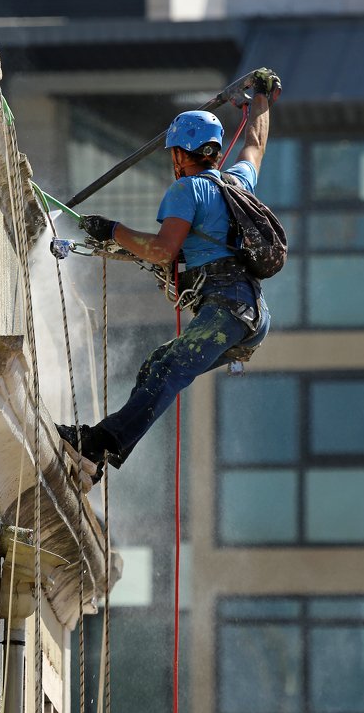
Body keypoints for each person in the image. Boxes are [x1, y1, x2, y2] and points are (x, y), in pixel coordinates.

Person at [57, 67, 280, 484]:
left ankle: (97, 444)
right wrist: (262, 100)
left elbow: (162, 250)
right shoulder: (237, 183)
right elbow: (256, 142)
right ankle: (93, 461)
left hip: (226, 311)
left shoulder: (187, 190)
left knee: (165, 371)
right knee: (157, 364)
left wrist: (114, 231)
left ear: (180, 153)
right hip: (251, 315)